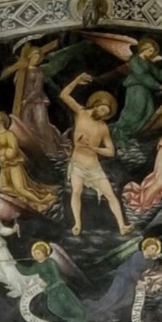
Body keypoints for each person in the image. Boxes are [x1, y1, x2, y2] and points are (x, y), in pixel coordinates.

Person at [58, 75, 130, 235]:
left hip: (93, 166)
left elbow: (111, 151)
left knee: (110, 194)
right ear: (96, 105)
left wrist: (93, 148)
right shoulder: (81, 113)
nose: (103, 113)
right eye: (102, 109)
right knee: (76, 191)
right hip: (77, 163)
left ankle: (122, 226)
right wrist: (76, 80)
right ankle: (77, 224)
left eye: (106, 113)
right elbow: (64, 95)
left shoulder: (103, 127)